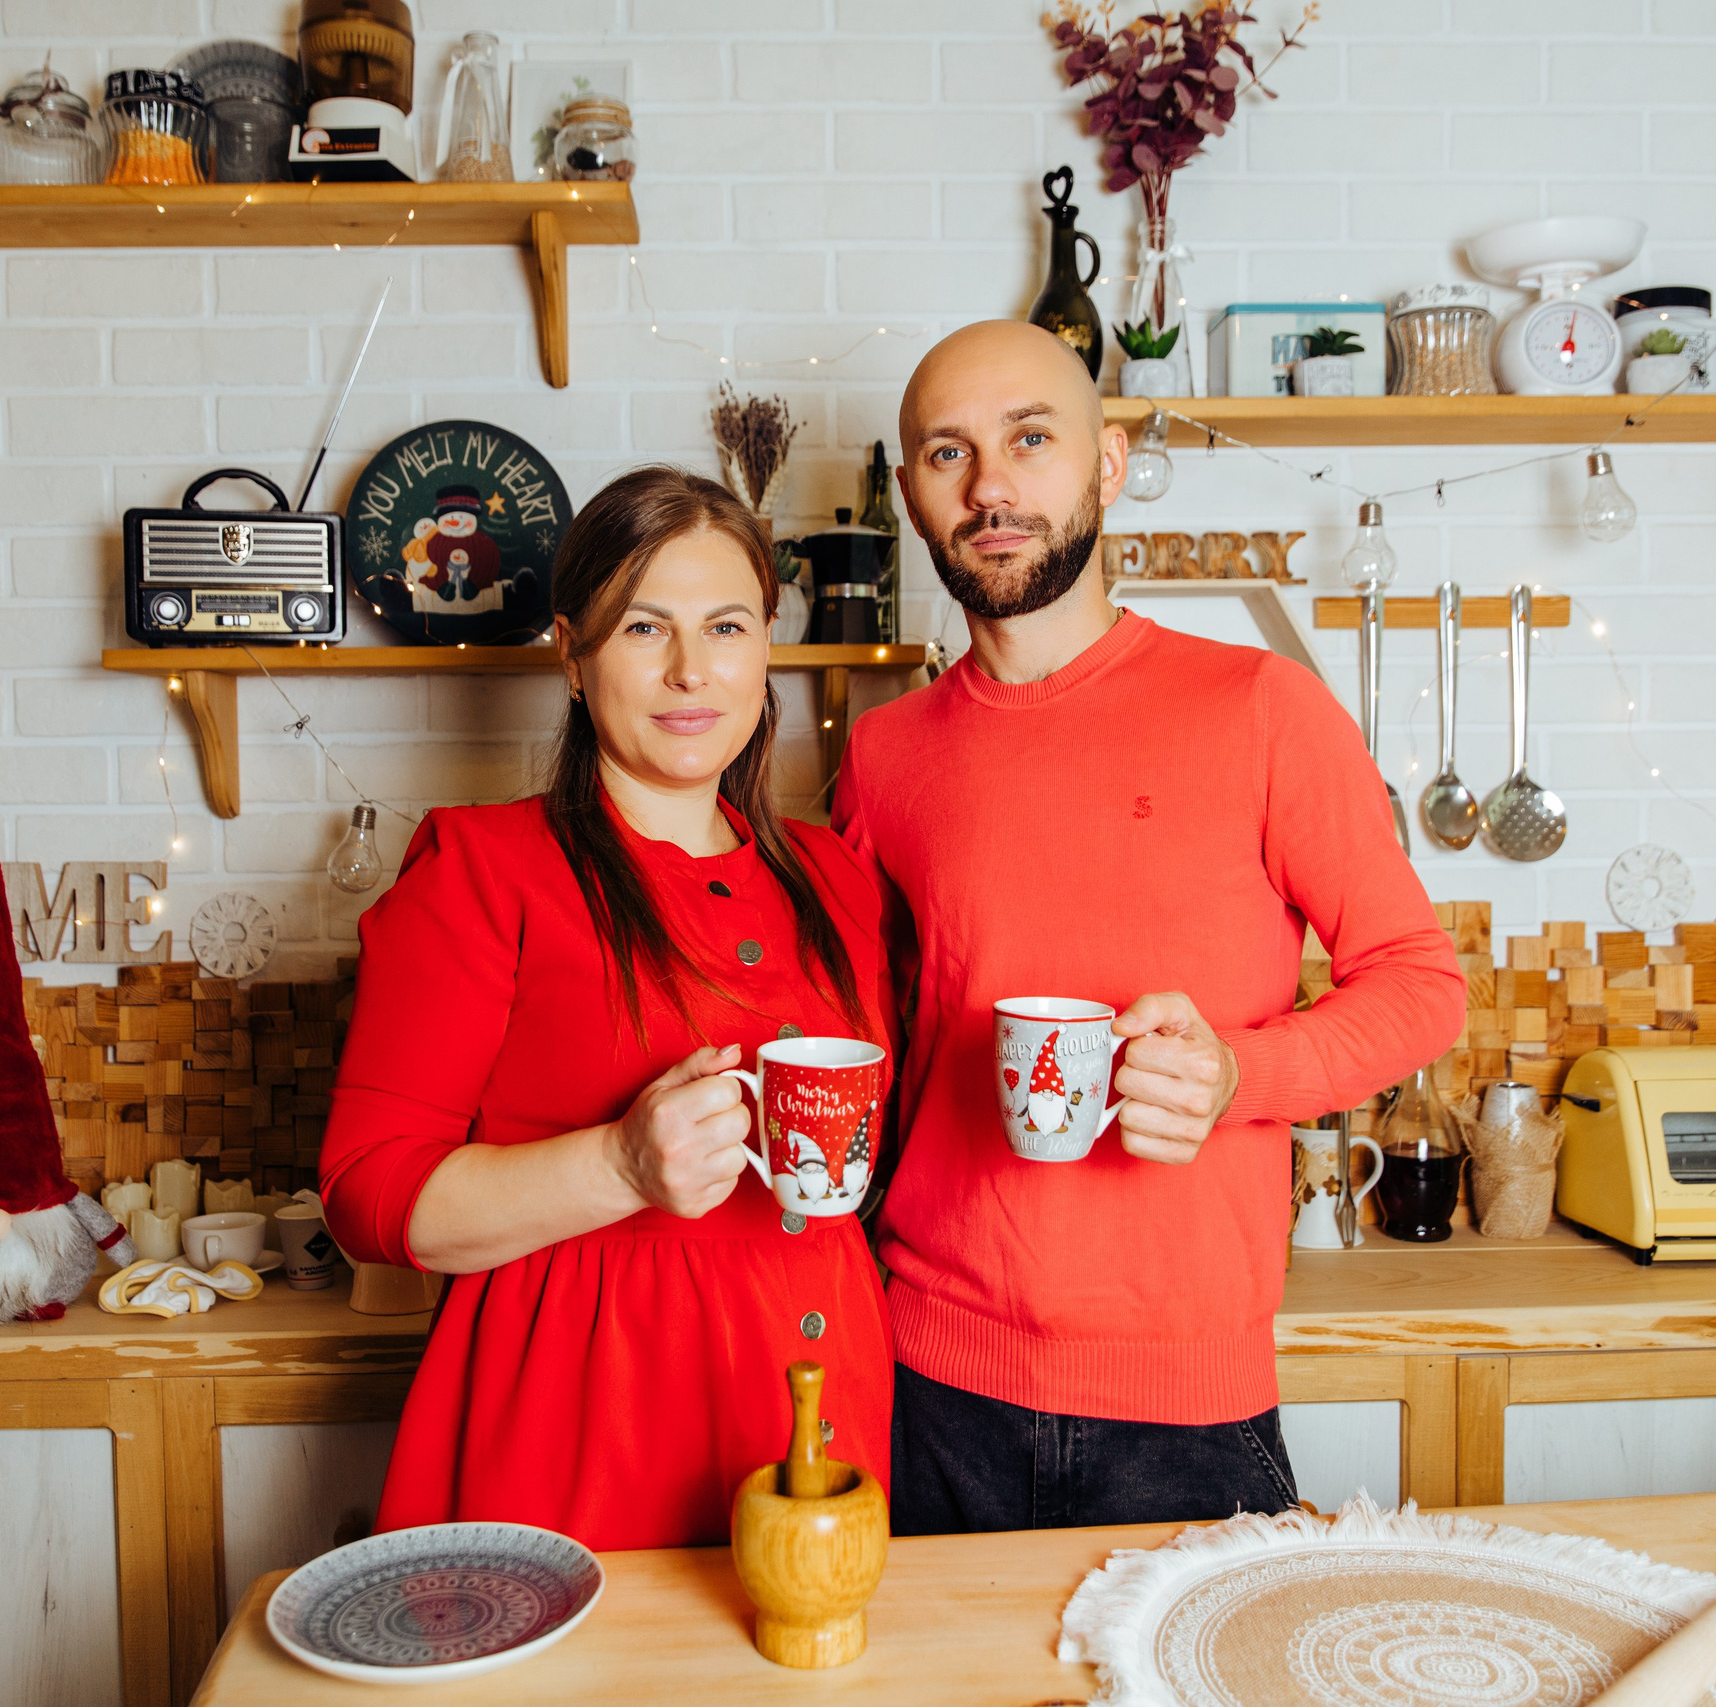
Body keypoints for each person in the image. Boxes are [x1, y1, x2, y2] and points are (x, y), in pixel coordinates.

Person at [833, 320, 1468, 1535]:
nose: (992, 489)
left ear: (1108, 464)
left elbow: (1420, 983)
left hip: (1187, 1413)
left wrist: (1242, 1071)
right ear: (910, 489)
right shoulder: (883, 756)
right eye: (946, 454)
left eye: (1030, 439)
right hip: (928, 1384)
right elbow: (866, 1041)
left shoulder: (1262, 709)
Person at [319, 466, 898, 1552]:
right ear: (573, 657)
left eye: (725, 626)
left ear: (766, 643)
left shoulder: (840, 884)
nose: (691, 670)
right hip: (585, 1429)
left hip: (824, 1414)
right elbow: (367, 1192)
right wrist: (619, 1168)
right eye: (643, 628)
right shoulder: (483, 871)